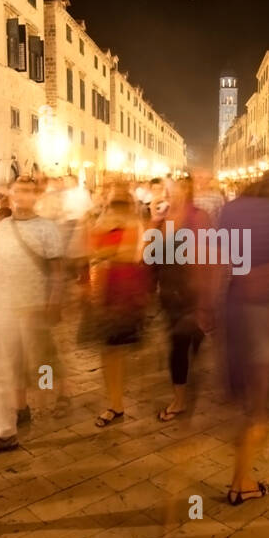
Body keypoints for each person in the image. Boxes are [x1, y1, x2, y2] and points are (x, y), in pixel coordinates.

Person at [219, 172, 269, 503]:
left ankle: (241, 476)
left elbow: (217, 261)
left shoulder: (233, 211)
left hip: (233, 311)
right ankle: (241, 482)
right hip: (261, 316)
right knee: (257, 407)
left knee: (244, 399)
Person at [0, 175, 70, 453]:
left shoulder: (46, 228)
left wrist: (54, 300)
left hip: (35, 304)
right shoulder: (3, 226)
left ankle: (62, 393)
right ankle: (21, 407)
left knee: (44, 356)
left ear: (36, 196)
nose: (23, 195)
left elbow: (57, 268)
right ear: (10, 194)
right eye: (19, 190)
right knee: (13, 360)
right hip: (8, 304)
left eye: (30, 191)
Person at [87, 182, 149, 427]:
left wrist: (104, 249)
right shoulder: (102, 222)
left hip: (124, 292)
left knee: (115, 350)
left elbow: (129, 254)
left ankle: (116, 403)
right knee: (108, 351)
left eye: (119, 200)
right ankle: (115, 402)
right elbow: (93, 250)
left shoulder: (134, 224)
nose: (115, 205)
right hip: (105, 291)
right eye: (113, 200)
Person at [155, 176, 217, 420]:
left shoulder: (198, 217)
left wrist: (204, 295)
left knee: (178, 344)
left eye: (177, 190)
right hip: (169, 290)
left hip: (190, 291)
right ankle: (182, 390)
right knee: (180, 342)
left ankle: (179, 401)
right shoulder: (166, 216)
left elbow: (207, 255)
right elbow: (154, 252)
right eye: (170, 190)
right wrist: (153, 221)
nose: (171, 194)